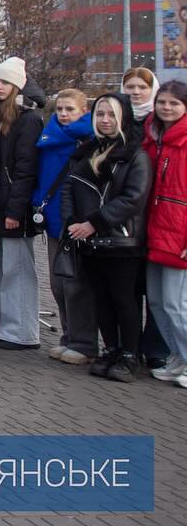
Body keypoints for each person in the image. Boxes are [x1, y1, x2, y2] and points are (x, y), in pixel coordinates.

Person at [63, 93, 151, 382]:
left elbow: (133, 198)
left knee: (124, 300)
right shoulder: (86, 152)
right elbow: (69, 189)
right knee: (101, 299)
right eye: (100, 114)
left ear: (123, 117)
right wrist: (72, 222)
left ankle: (130, 355)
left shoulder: (135, 155)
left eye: (111, 114)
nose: (104, 120)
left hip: (122, 242)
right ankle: (111, 349)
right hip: (89, 241)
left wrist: (94, 223)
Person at [0, 57, 47, 350]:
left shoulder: (29, 119)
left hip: (14, 208)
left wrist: (15, 210)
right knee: (1, 268)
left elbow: (25, 169)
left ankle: (23, 332)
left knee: (18, 269)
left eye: (5, 82)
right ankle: (8, 328)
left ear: (17, 86)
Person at [35, 89, 96, 365]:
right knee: (58, 283)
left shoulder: (89, 139)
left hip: (77, 221)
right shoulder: (49, 136)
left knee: (76, 285)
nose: (63, 114)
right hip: (53, 217)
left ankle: (84, 343)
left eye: (70, 109)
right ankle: (68, 336)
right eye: (59, 109)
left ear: (83, 111)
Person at [123, 67, 172, 372]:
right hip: (129, 217)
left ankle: (157, 349)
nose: (136, 92)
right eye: (130, 87)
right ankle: (128, 346)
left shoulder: (160, 123)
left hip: (157, 213)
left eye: (142, 87)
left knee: (158, 292)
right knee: (130, 287)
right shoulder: (118, 118)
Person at [143, 80, 187, 387]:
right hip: (153, 231)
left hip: (178, 236)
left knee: (176, 304)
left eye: (174, 103)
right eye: (162, 102)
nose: (166, 108)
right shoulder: (152, 139)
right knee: (158, 303)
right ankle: (177, 356)